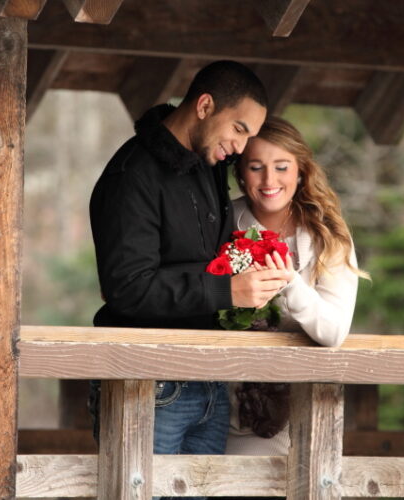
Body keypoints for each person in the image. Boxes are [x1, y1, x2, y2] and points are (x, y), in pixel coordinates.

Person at [87, 61, 292, 493]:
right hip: (148, 384)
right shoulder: (132, 175)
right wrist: (227, 289)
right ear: (204, 105)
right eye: (237, 129)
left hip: (208, 379)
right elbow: (127, 287)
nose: (239, 147)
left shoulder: (208, 163)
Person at [224, 116, 367, 465]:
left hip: (294, 411)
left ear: (301, 171)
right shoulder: (223, 222)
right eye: (256, 167)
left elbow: (333, 331)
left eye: (282, 167)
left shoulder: (328, 234)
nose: (269, 180)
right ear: (241, 174)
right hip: (217, 403)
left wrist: (289, 282)